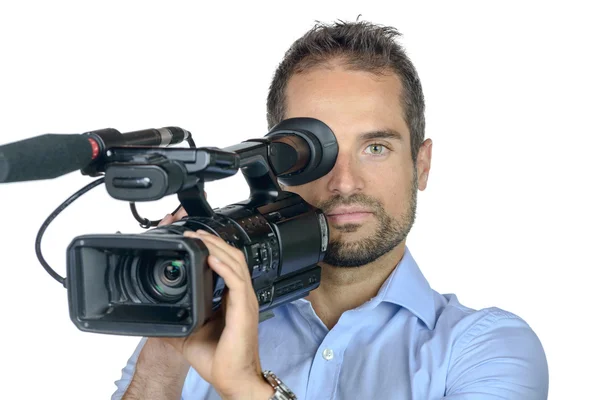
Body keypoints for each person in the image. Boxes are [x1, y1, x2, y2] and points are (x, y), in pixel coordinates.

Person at [113, 20, 549, 399]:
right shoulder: (204, 322)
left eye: (375, 148)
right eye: (313, 153)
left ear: (421, 165)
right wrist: (167, 350)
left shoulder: (486, 349)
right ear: (276, 166)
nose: (344, 182)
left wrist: (248, 389)